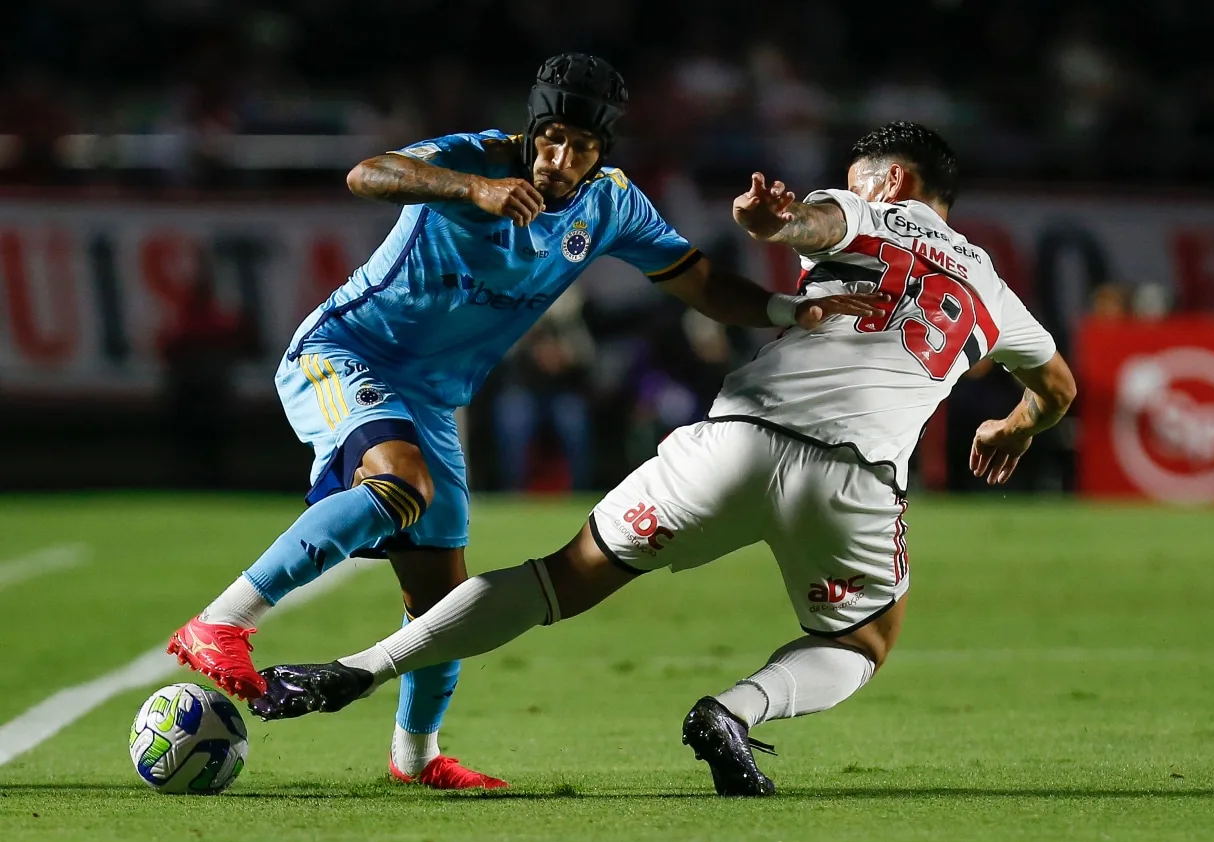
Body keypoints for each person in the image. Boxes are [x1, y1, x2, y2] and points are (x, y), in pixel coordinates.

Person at [249, 122, 1072, 797]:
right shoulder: (996, 292)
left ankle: (358, 669)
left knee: (560, 578)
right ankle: (734, 712)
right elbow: (1059, 386)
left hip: (732, 442)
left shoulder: (870, 212)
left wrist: (774, 224)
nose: (852, 190)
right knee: (862, 639)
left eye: (859, 179)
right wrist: (1016, 425)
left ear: (891, 181)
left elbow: (813, 224)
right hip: (853, 480)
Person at [165, 52, 884, 791]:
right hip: (348, 354)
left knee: (440, 604)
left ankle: (415, 760)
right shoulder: (472, 158)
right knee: (398, 485)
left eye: (580, 145)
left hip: (434, 398)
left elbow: (700, 281)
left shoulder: (609, 204)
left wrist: (784, 310)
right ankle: (222, 622)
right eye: (549, 138)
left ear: (604, 150)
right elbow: (367, 174)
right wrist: (469, 189)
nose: (558, 158)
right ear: (529, 128)